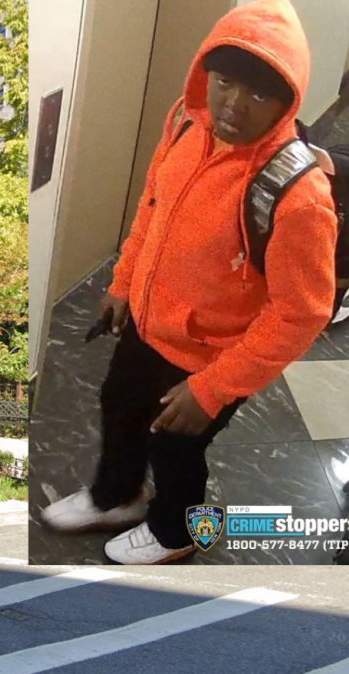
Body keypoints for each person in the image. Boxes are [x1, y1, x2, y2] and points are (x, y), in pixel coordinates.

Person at [41, 0, 339, 564]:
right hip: (149, 324)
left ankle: (176, 533)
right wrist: (124, 282)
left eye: (259, 94)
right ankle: (117, 494)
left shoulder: (299, 196)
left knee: (176, 446)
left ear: (288, 100)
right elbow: (153, 205)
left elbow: (301, 312)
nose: (233, 104)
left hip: (213, 358)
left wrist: (213, 388)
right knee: (119, 403)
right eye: (225, 81)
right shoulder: (185, 120)